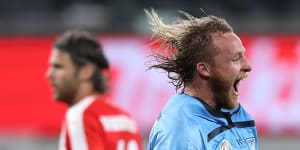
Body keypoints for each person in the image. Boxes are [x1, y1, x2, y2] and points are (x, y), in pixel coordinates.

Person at [145, 9, 258, 150]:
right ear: (204, 69)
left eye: (243, 56)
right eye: (236, 59)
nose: (248, 66)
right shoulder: (182, 131)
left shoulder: (241, 116)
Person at [46, 29, 143, 150]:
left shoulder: (81, 115)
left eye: (58, 67)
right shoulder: (125, 118)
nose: (49, 74)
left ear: (86, 71)